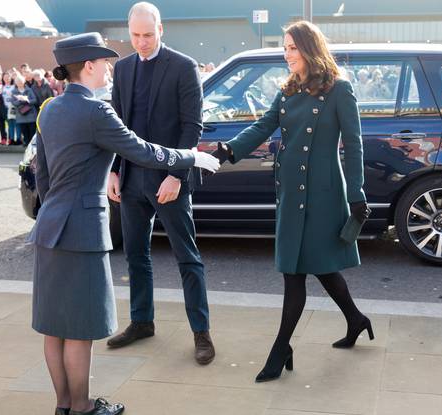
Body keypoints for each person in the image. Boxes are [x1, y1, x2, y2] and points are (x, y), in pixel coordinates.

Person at [30, 32, 219, 415]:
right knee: (80, 328)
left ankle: (63, 406)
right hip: (82, 230)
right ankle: (84, 408)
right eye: (102, 61)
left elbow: (42, 174)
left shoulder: (50, 109)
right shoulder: (96, 112)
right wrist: (190, 158)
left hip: (49, 227)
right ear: (87, 66)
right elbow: (142, 151)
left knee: (54, 326)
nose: (108, 67)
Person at [213, 20, 374, 383]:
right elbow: (263, 125)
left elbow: (354, 144)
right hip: (290, 190)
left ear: (309, 49)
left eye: (293, 48)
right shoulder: (287, 90)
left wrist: (357, 193)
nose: (287, 55)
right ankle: (356, 319)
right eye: (284, 48)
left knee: (298, 271)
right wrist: (229, 150)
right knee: (313, 266)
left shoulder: (339, 90)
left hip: (324, 194)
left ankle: (280, 348)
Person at [105, 2, 216, 365]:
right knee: (136, 256)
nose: (141, 42)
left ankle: (201, 333)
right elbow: (117, 127)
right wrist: (113, 170)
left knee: (187, 258)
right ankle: (141, 322)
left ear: (161, 29)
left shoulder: (184, 67)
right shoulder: (122, 69)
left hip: (169, 179)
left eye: (148, 35)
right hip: (131, 178)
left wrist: (176, 175)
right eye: (135, 35)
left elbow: (192, 127)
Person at [11, 74, 38, 146]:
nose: (19, 83)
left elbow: (34, 100)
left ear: (24, 81)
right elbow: (13, 102)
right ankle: (26, 142)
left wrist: (27, 100)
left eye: (21, 81)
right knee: (24, 130)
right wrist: (20, 100)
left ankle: (32, 144)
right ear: (15, 83)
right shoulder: (14, 91)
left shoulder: (29, 90)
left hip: (31, 114)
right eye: (18, 81)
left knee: (32, 130)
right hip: (21, 114)